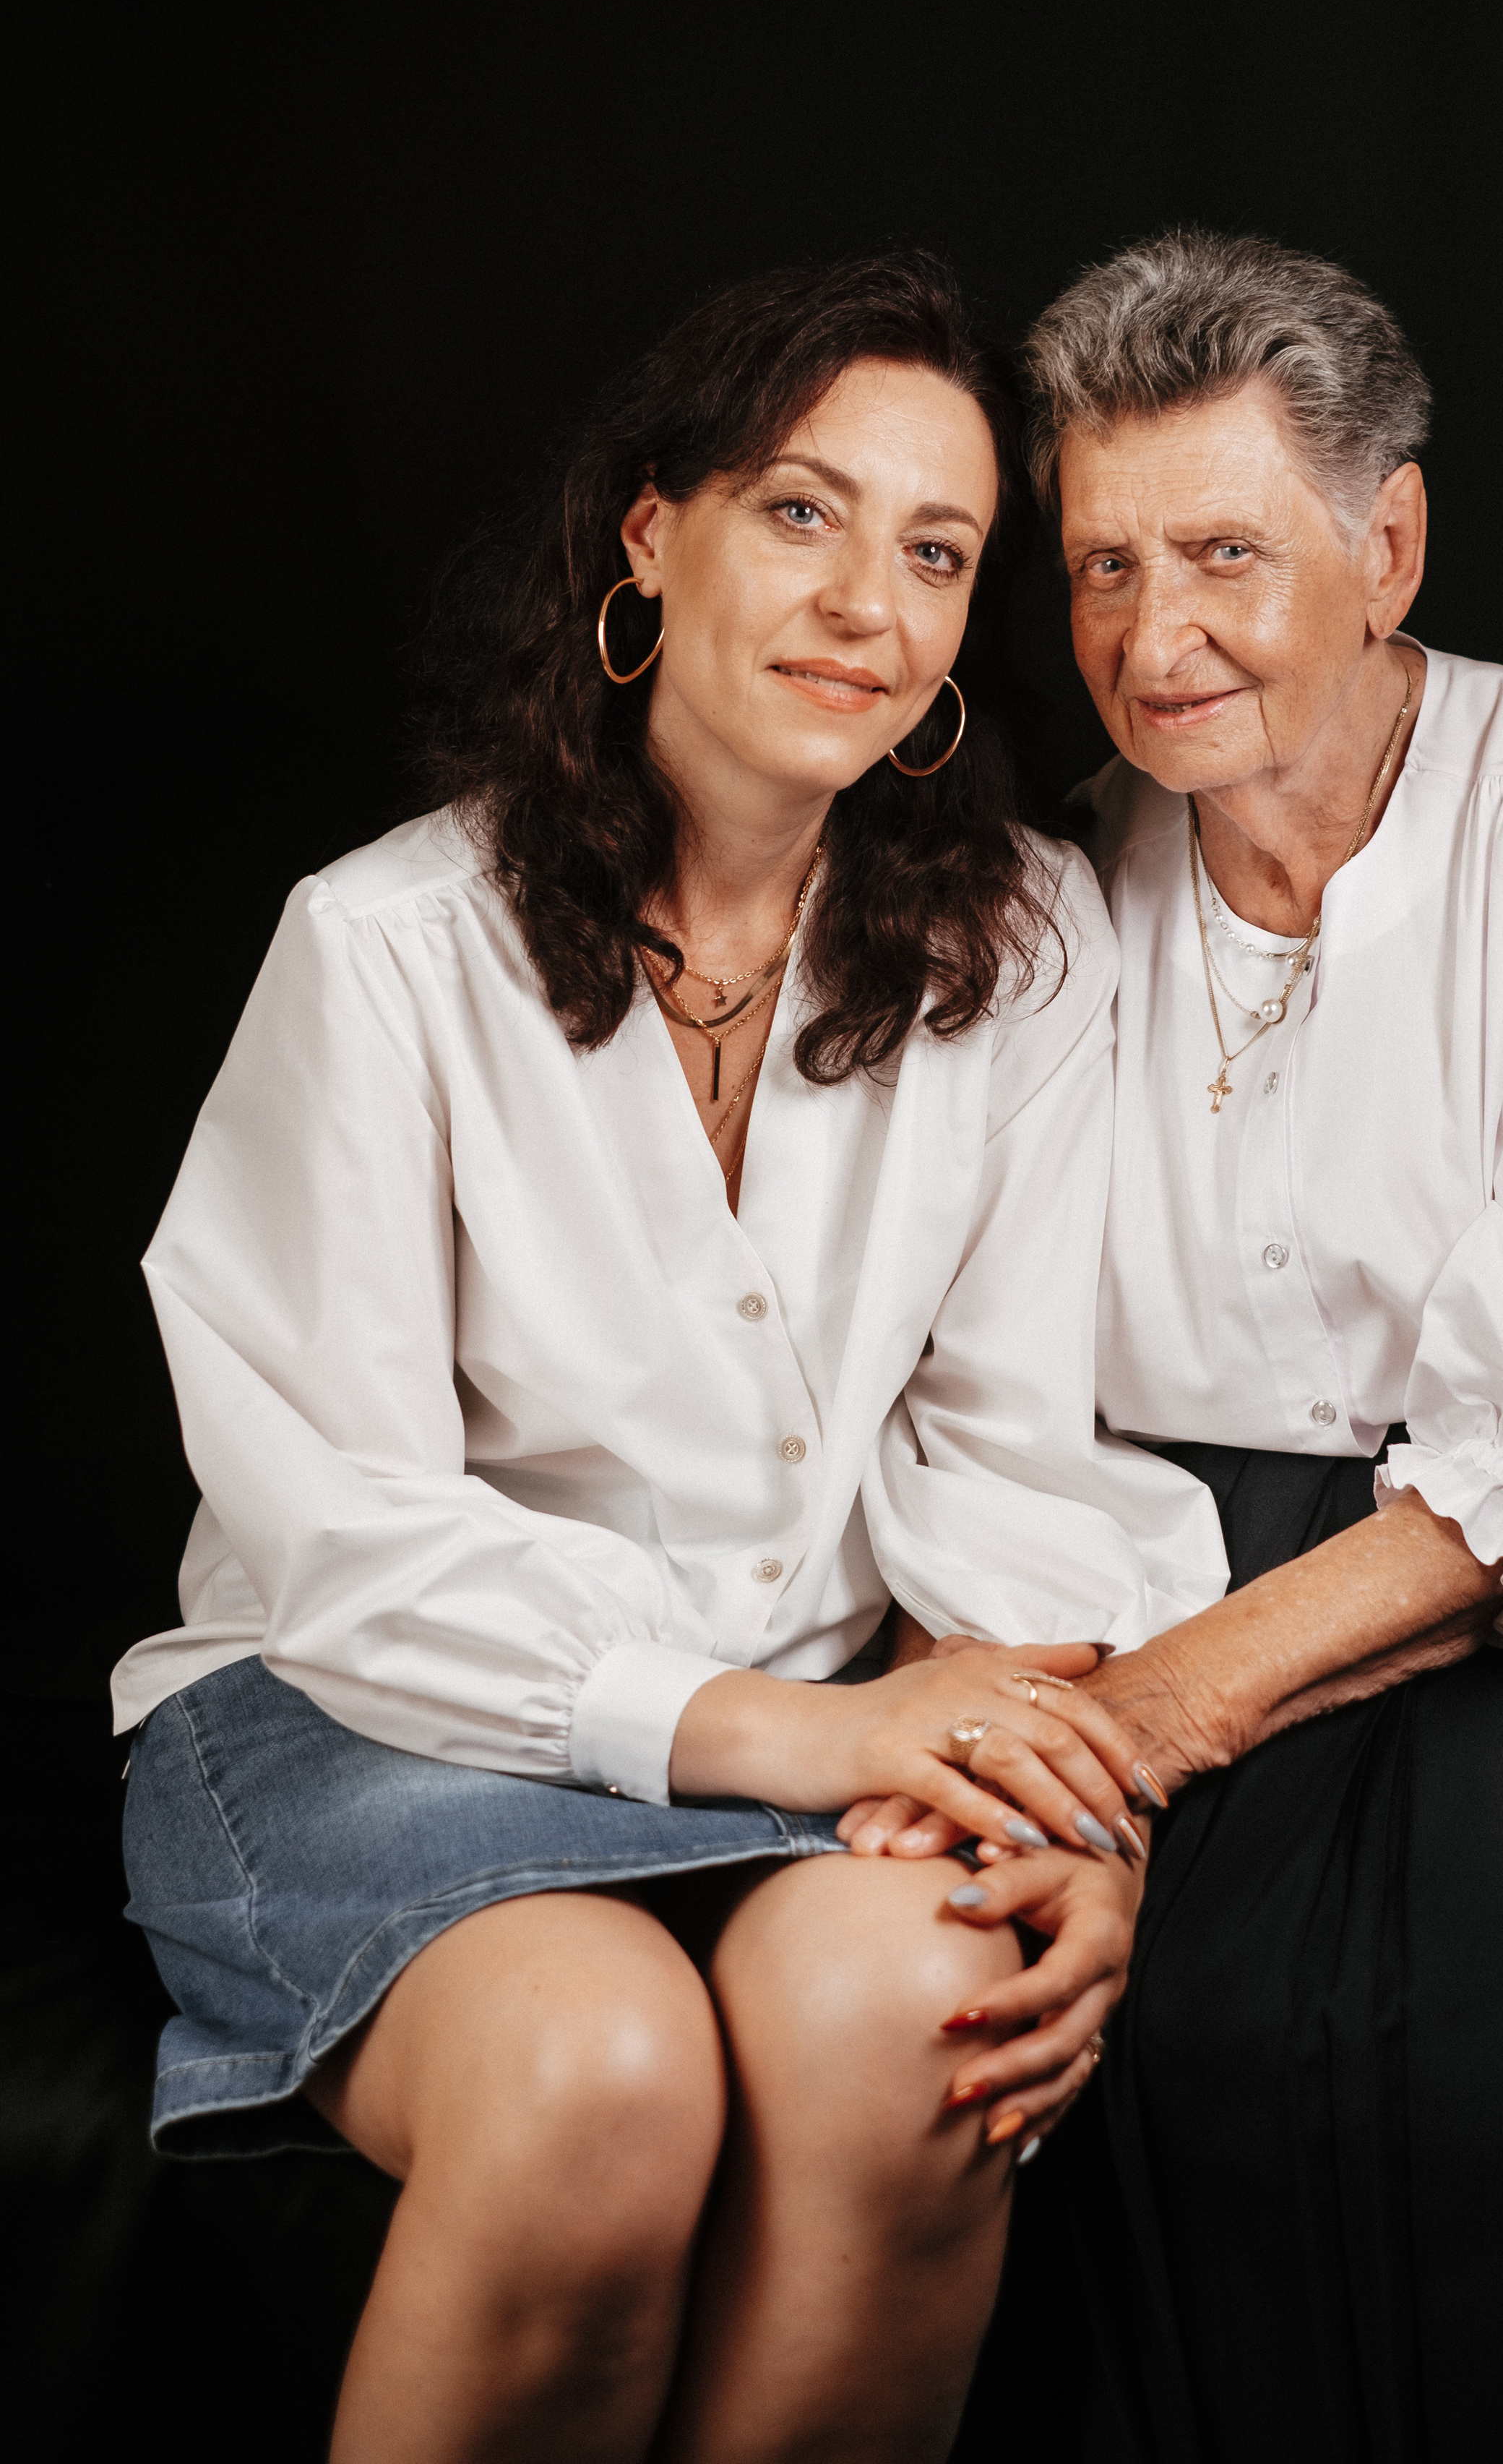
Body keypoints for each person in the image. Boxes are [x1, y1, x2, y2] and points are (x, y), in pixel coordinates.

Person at [111, 253, 1228, 2464]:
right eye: (803, 512)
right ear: (650, 537)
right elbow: (338, 1535)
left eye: (939, 554)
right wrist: (797, 1740)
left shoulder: (1021, 948)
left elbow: (1005, 1457)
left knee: (924, 2025)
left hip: (821, 1709)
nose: (866, 604)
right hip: (367, 1707)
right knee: (598, 2073)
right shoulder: (386, 950)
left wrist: (1055, 1808)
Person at [949, 232, 1503, 2460]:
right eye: (1103, 566)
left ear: (1391, 548)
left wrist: (1123, 1747)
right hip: (1170, 1560)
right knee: (1076, 2075)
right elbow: (1003, 1397)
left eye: (1226, 554)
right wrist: (1076, 1747)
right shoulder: (1053, 889)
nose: (1152, 638)